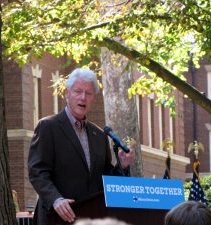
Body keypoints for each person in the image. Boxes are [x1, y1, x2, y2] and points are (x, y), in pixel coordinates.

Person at [28, 68, 135, 225]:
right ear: (67, 94)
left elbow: (106, 181)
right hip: (57, 217)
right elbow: (37, 172)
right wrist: (56, 199)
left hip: (90, 218)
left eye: (88, 93)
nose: (83, 97)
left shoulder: (99, 136)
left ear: (94, 99)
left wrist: (123, 166)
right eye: (78, 91)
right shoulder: (48, 127)